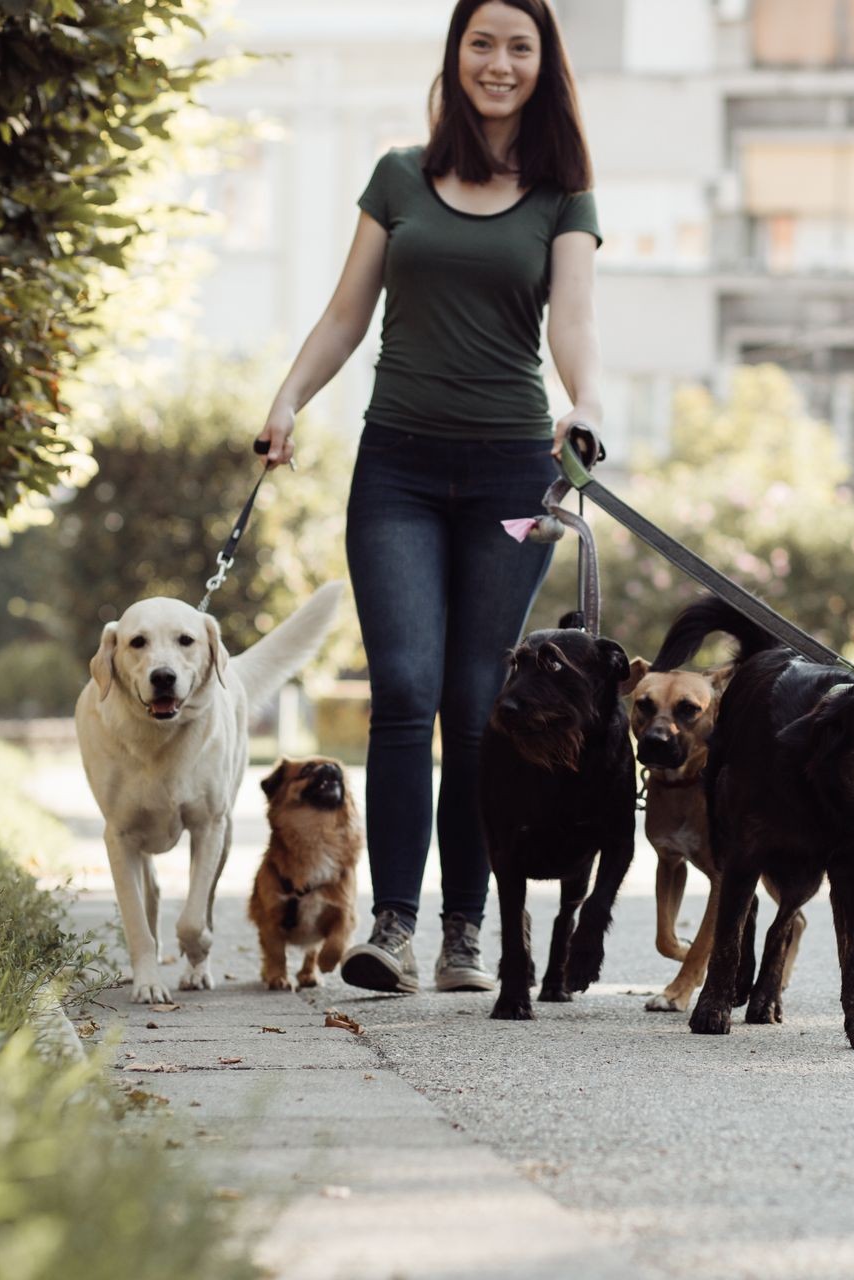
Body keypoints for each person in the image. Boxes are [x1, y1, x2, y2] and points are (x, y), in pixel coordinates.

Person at [256, 0, 603, 994]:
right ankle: (392, 927)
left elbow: (574, 322)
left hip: (508, 471)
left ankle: (464, 929)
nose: (498, 63)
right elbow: (342, 313)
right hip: (398, 469)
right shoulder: (399, 176)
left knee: (474, 701)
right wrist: (286, 400)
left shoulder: (563, 194)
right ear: (456, 57)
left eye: (519, 47)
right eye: (482, 43)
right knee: (404, 688)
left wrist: (586, 404)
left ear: (544, 66)